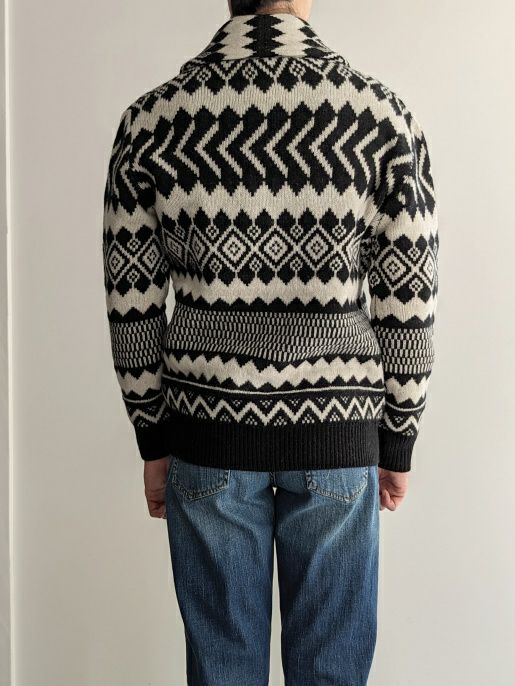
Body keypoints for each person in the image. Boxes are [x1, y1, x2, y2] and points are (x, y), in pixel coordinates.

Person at [102, 0, 439, 683]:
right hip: (338, 435)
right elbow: (410, 297)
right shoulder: (381, 118)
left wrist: (153, 438)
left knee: (222, 668)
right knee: (332, 671)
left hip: (207, 433)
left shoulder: (152, 122)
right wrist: (398, 436)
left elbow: (130, 302)